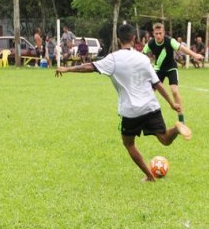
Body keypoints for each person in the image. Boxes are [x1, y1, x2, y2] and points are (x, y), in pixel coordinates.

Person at [55, 24, 192, 181]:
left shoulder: (113, 59)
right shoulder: (143, 59)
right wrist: (171, 104)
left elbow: (89, 66)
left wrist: (67, 69)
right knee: (165, 139)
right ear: (134, 39)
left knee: (129, 144)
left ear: (119, 40)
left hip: (131, 111)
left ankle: (150, 176)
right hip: (151, 106)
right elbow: (157, 84)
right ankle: (176, 128)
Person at [143, 22, 204, 123]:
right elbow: (142, 54)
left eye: (160, 33)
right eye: (156, 33)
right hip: (158, 69)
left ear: (163, 33)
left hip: (171, 68)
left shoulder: (170, 41)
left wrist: (195, 55)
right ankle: (146, 117)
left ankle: (181, 119)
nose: (158, 35)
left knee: (174, 91)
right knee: (150, 92)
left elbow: (183, 49)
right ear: (153, 33)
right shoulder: (151, 43)